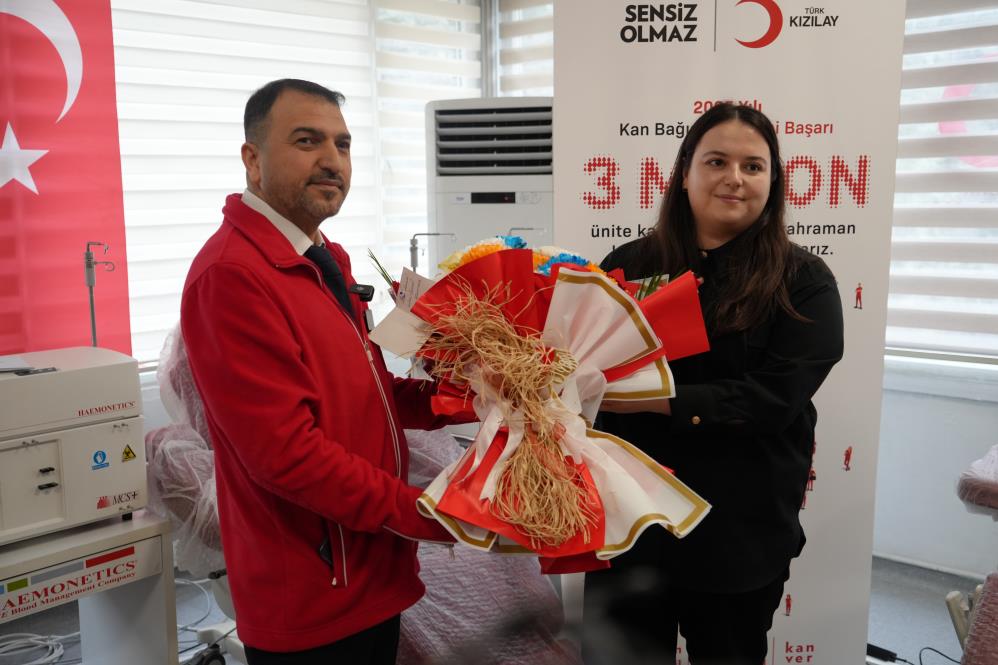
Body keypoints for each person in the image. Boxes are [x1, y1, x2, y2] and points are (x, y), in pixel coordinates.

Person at [180, 79, 459, 664]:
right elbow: (287, 455)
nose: (332, 160)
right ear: (253, 160)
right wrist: (427, 513)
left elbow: (368, 393)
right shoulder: (232, 276)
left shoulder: (325, 258)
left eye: (343, 144)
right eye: (307, 141)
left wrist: (463, 400)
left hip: (371, 571)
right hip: (311, 598)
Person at [583, 103, 844, 665]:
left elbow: (774, 398)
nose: (735, 178)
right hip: (632, 520)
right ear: (685, 173)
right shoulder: (627, 264)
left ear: (773, 181)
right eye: (717, 161)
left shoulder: (803, 281)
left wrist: (655, 401)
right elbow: (583, 360)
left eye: (753, 166)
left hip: (736, 530)